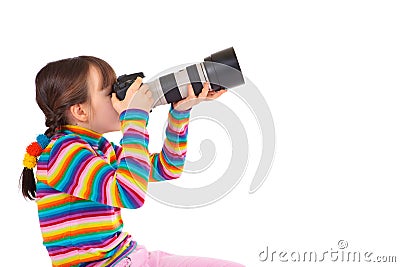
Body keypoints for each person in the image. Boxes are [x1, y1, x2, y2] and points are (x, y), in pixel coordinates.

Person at [20, 56, 244, 267]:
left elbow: (168, 168)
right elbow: (130, 194)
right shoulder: (64, 153)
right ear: (80, 111)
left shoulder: (98, 147)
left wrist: (180, 112)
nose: (121, 98)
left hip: (129, 256)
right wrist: (134, 118)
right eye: (110, 92)